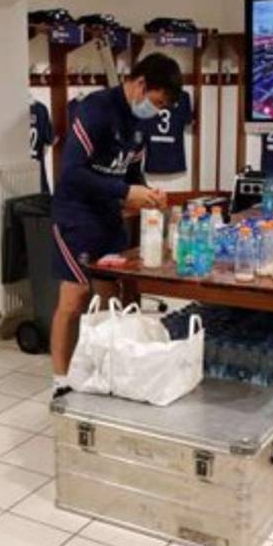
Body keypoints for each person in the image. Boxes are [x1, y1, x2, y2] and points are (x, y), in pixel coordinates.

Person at [50, 53, 180, 395]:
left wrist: (147, 193)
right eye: (157, 101)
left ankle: (107, 369)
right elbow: (72, 173)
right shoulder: (95, 110)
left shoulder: (140, 124)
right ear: (140, 84)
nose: (157, 111)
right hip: (75, 215)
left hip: (109, 217)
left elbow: (133, 172)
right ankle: (60, 381)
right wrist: (125, 191)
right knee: (74, 299)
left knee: (113, 298)